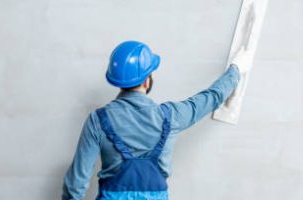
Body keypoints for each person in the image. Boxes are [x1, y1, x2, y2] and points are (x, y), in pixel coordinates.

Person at [62, 40, 247, 200]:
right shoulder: (171, 116)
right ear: (146, 80)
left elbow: (76, 186)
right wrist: (235, 69)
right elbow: (211, 98)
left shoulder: (98, 120)